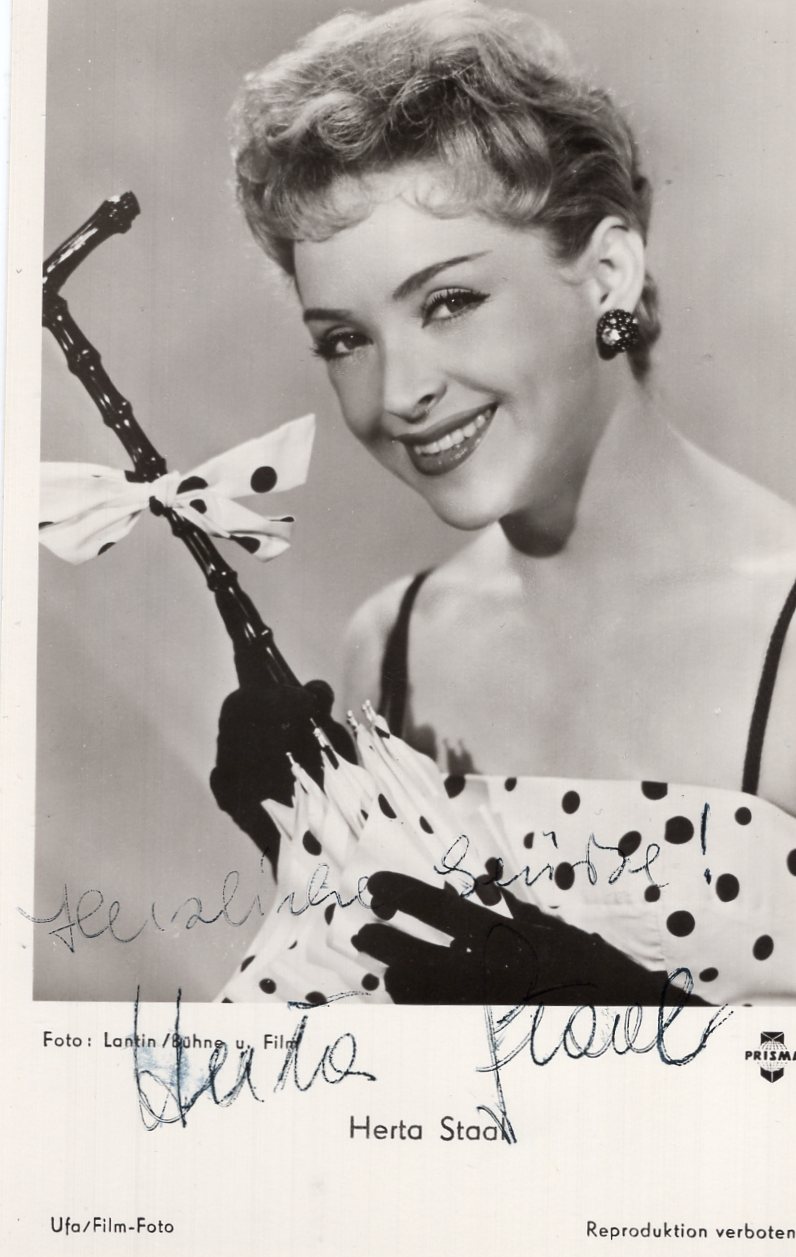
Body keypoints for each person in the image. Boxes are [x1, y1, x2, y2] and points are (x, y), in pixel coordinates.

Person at [212, 0, 796, 1006]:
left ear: (607, 274)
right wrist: (316, 853)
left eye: (449, 302)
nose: (399, 392)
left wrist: (639, 1025)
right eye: (345, 340)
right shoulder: (391, 647)